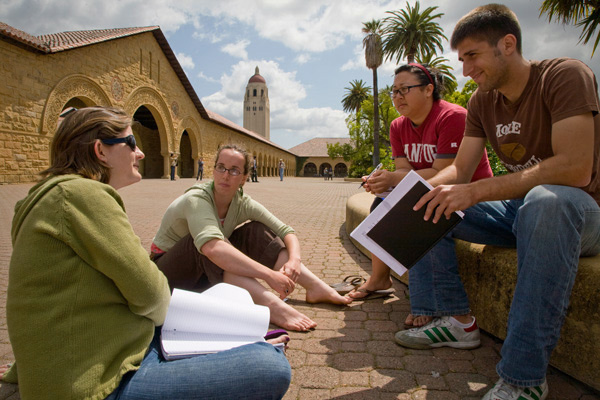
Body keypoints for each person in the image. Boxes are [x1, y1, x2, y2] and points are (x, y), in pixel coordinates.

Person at [2, 107, 291, 399]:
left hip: (104, 345)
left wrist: (25, 368)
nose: (140, 153)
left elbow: (42, 300)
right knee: (269, 365)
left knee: (237, 331)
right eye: (130, 143)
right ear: (100, 150)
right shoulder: (83, 196)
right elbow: (152, 294)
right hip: (96, 381)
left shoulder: (44, 198)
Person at [393, 5, 600, 400]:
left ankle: (524, 379)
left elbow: (576, 169)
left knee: (545, 202)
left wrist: (474, 191)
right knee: (429, 203)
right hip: (519, 211)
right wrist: (421, 190)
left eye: (473, 56)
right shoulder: (481, 101)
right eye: (462, 59)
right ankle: (457, 322)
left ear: (508, 44)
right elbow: (461, 169)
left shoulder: (564, 76)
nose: (466, 70)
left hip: (581, 213)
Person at [151, 144, 352, 332]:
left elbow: (286, 231)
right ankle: (273, 306)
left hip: (205, 273)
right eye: (221, 167)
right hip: (167, 277)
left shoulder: (242, 203)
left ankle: (316, 288)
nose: (225, 175)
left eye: (234, 170)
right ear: (213, 170)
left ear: (245, 178)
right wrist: (269, 275)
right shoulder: (197, 198)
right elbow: (213, 248)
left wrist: (294, 260)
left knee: (255, 231)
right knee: (208, 243)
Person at [350, 64, 493, 321]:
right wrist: (385, 182)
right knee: (381, 206)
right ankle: (380, 279)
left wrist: (394, 178)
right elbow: (404, 171)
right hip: (431, 192)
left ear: (429, 89)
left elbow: (445, 170)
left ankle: (429, 308)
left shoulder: (452, 117)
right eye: (393, 91)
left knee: (422, 214)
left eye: (405, 89)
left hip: (472, 197)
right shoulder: (398, 126)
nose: (397, 97)